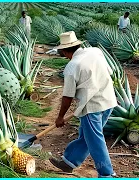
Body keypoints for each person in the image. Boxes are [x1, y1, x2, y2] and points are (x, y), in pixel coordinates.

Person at [49, 31, 118, 178]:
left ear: (64, 50)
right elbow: (109, 71)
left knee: (95, 140)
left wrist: (60, 117)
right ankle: (69, 162)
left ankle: (107, 174)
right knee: (88, 136)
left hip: (92, 107)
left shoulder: (72, 67)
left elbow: (67, 97)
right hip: (109, 100)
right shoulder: (95, 51)